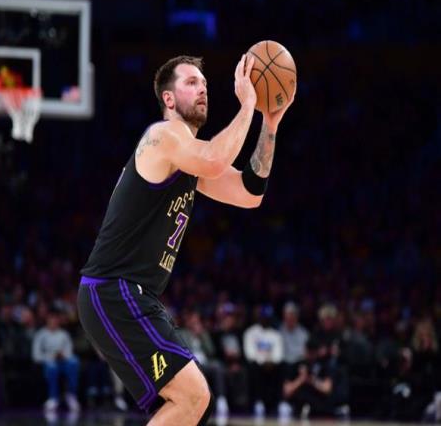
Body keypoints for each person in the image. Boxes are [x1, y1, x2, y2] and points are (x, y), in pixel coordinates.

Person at [77, 54, 295, 425]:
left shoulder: (189, 158)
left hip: (135, 295)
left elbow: (250, 192)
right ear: (168, 98)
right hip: (114, 291)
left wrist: (269, 122)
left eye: (204, 83)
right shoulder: (164, 136)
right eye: (191, 82)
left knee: (191, 403)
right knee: (192, 396)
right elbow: (214, 159)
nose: (202, 89)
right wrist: (248, 104)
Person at [32, 310, 81, 413]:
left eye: (55, 319)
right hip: (48, 361)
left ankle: (71, 395)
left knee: (74, 361)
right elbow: (36, 356)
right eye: (51, 319)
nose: (53, 321)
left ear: (58, 321)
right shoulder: (41, 334)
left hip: (64, 362)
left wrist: (63, 355)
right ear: (47, 320)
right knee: (52, 367)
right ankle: (53, 397)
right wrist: (51, 356)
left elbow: (69, 351)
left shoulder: (64, 334)